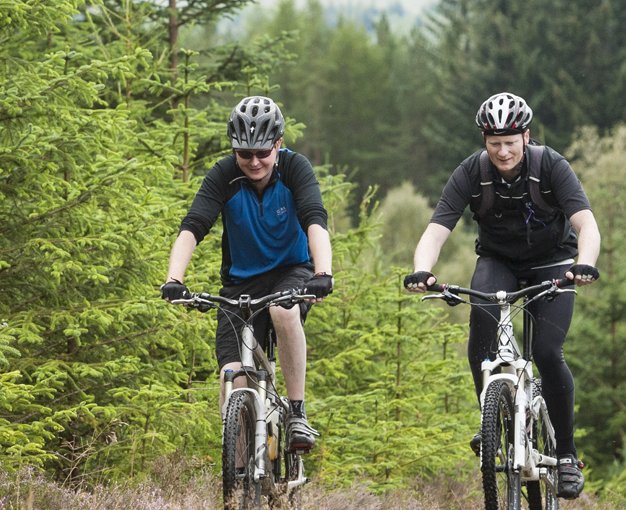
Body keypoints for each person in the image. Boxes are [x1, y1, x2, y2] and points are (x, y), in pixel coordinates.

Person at [404, 92, 601, 499]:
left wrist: (584, 263)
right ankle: (491, 418)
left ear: (525, 136)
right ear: (484, 140)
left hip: (553, 263)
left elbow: (586, 223)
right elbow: (437, 228)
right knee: (480, 331)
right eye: (494, 143)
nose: (503, 151)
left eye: (510, 142)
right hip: (499, 263)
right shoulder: (471, 173)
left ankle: (565, 455)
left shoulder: (551, 166)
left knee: (547, 352)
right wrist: (422, 268)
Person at [161, 96, 333, 452]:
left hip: (293, 270)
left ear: (278, 144)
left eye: (263, 152)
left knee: (283, 310)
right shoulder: (224, 175)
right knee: (233, 378)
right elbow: (193, 226)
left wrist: (323, 272)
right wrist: (174, 279)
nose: (254, 162)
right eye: (245, 154)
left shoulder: (295, 169)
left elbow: (315, 218)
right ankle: (239, 476)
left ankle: (297, 412)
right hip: (240, 283)